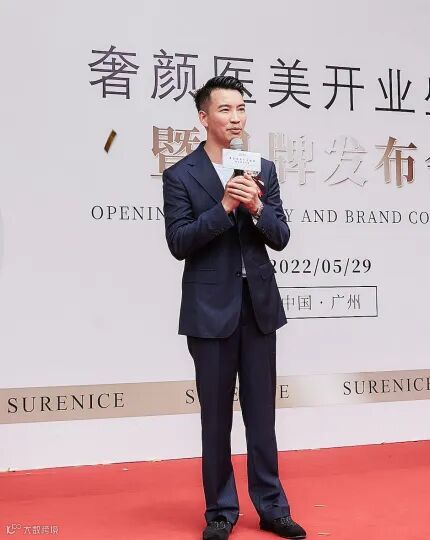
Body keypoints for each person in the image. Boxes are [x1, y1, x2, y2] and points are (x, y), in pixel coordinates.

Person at [162, 76, 306, 540]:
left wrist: (257, 207)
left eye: (241, 108)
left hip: (258, 308)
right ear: (204, 117)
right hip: (209, 311)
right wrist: (224, 206)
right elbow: (179, 242)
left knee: (263, 416)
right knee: (216, 418)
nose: (236, 117)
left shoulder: (261, 168)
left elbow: (281, 237)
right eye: (225, 109)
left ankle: (272, 507)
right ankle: (221, 511)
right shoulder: (181, 175)